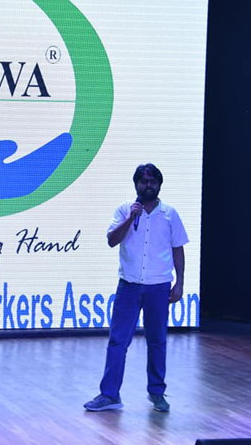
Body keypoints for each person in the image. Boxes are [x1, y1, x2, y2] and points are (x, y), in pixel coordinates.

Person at [84, 163, 188, 413]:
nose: (148, 185)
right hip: (129, 285)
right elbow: (112, 241)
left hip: (158, 286)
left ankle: (157, 392)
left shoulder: (170, 214)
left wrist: (180, 282)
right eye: (143, 181)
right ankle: (109, 395)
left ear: (159, 185)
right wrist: (131, 218)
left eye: (152, 181)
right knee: (118, 341)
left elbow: (178, 248)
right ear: (136, 185)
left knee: (157, 341)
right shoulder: (124, 210)